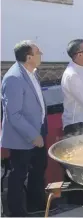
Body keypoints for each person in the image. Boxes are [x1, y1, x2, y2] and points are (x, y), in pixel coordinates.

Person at [1, 41, 54, 216]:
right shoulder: (14, 78)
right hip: (22, 137)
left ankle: (36, 204)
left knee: (38, 169)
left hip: (38, 131)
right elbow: (13, 114)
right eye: (38, 52)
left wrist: (40, 132)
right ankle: (16, 212)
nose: (42, 54)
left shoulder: (31, 73)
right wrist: (33, 135)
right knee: (19, 175)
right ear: (29, 57)